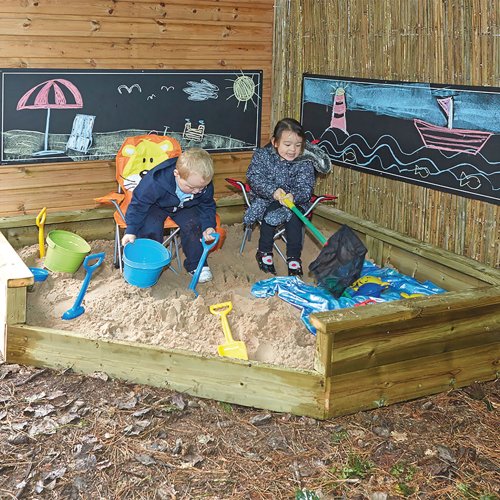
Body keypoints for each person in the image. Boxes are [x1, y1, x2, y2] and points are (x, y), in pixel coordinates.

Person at [244, 118, 331, 277]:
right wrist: (273, 191)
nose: (292, 150)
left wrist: (294, 196)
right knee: (270, 215)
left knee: (295, 217)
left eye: (298, 145)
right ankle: (264, 252)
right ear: (275, 142)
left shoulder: (304, 162)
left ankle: (294, 257)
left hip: (294, 201)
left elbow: (306, 187)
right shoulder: (262, 156)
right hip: (267, 198)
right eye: (287, 145)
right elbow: (254, 177)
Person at [122, 147, 216, 283]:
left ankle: (197, 264)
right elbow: (139, 204)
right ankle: (149, 263)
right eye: (191, 187)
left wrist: (208, 226)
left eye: (200, 188)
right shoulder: (155, 181)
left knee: (194, 225)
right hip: (157, 205)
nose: (196, 191)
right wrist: (131, 230)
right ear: (176, 174)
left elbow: (207, 205)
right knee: (150, 227)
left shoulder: (202, 184)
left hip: (186, 207)